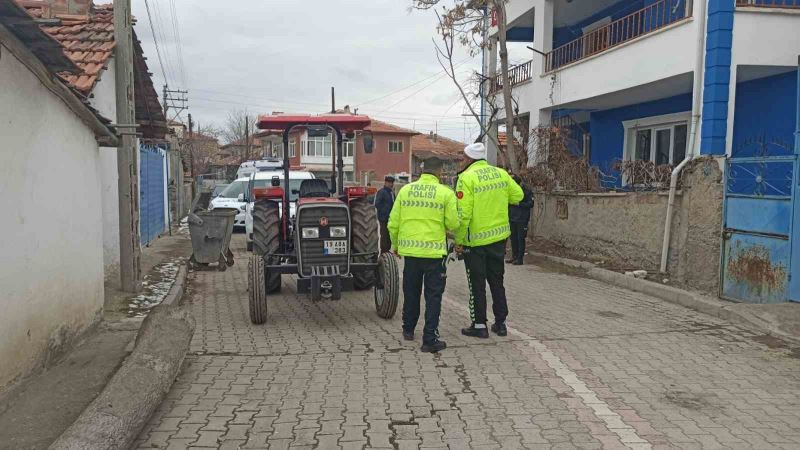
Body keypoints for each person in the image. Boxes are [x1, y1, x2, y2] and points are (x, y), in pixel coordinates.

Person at [388, 158, 459, 353]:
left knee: (411, 292)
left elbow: (393, 222)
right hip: (434, 254)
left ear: (422, 170)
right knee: (433, 296)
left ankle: (408, 330)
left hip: (410, 253)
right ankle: (429, 338)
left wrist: (395, 245)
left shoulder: (405, 190)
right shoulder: (446, 193)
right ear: (440, 172)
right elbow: (453, 223)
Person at [455, 143, 523, 338]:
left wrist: (459, 240)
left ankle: (479, 326)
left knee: (476, 283)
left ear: (469, 159)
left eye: (462, 159)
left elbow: (464, 213)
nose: (461, 162)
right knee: (496, 281)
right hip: (499, 239)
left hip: (475, 242)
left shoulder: (466, 178)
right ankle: (500, 324)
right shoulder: (501, 174)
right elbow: (518, 195)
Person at [508, 175, 534, 265]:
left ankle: (520, 259)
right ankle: (514, 257)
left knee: (520, 239)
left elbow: (530, 204)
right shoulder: (510, 192)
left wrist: (519, 204)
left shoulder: (526, 191)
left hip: (522, 219)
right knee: (513, 238)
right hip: (512, 218)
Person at [374, 176, 395, 253]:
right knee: (384, 235)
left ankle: (388, 250)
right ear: (385, 183)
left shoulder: (391, 193)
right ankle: (383, 251)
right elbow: (377, 204)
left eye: (392, 183)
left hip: (391, 218)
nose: (391, 184)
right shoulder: (381, 192)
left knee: (389, 235)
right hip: (383, 218)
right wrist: (384, 212)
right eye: (389, 183)